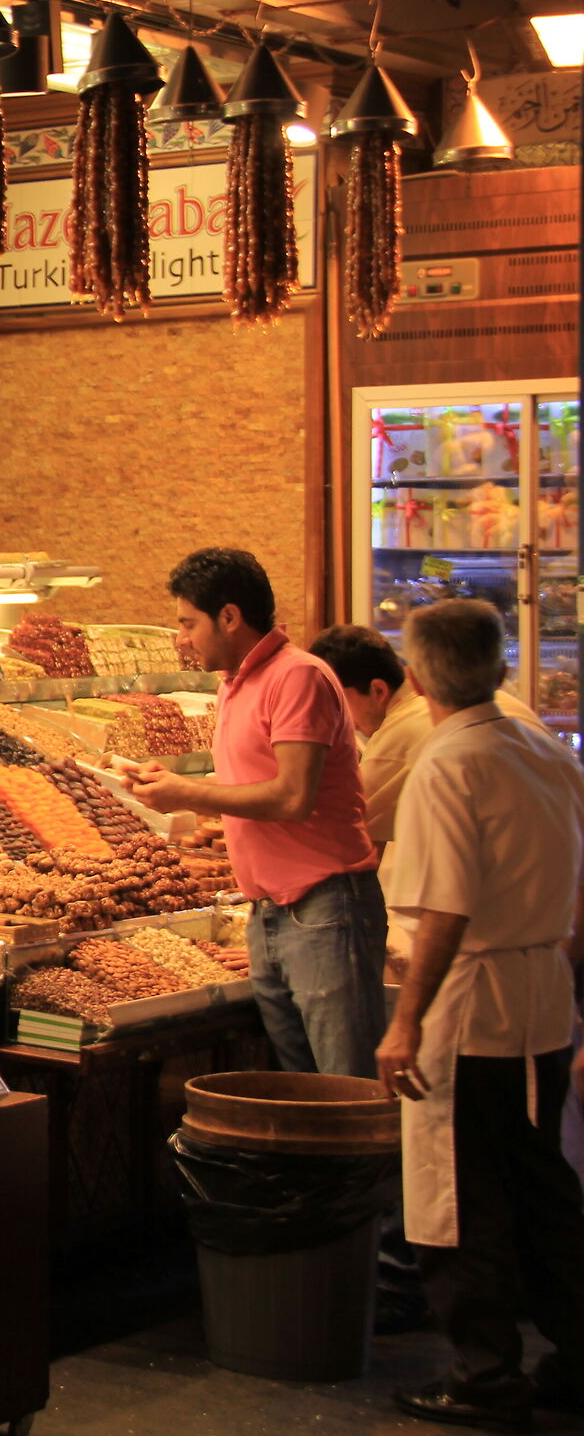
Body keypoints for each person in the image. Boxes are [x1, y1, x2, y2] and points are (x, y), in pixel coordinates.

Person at [372, 600, 584, 1431]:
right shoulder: (546, 749)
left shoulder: (448, 763)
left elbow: (446, 910)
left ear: (415, 680)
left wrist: (405, 1022)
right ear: (501, 668)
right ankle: (576, 1354)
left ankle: (485, 1374)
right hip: (543, 998)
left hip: (472, 1004)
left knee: (459, 1195)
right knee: (542, 1186)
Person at [130, 549, 382, 1077]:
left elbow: (292, 797)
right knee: (300, 1090)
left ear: (229, 617)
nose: (181, 639)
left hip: (325, 907)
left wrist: (188, 793)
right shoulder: (233, 682)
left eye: (188, 623)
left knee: (346, 1089)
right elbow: (248, 785)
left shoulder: (297, 677)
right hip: (268, 911)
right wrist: (171, 787)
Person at [307, 622, 547, 847]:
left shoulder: (404, 727)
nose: (339, 719)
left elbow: (340, 822)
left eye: (337, 703)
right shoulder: (480, 700)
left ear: (378, 690)